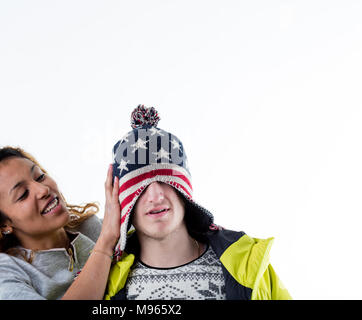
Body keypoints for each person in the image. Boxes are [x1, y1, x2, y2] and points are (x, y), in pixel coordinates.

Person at [104, 105, 292, 300]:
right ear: (122, 201)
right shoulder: (105, 283)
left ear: (184, 191)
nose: (156, 195)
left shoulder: (247, 264)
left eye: (165, 180)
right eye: (139, 187)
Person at [0, 146, 121, 300]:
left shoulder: (93, 227)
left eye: (39, 177)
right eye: (23, 194)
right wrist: (104, 245)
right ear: (2, 224)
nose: (43, 189)